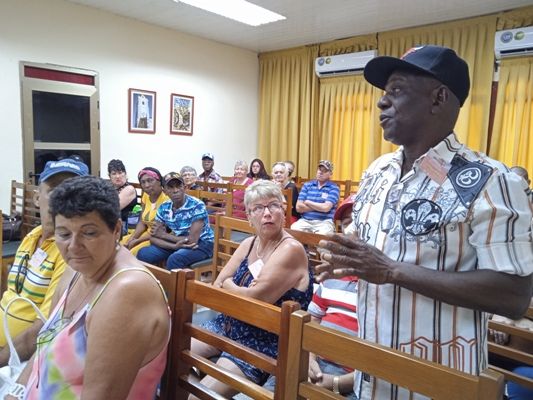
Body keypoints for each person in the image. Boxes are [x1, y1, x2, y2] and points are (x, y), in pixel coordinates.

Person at [316, 45, 533, 400]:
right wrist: (344, 258)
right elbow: (368, 252)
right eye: (384, 93)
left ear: (438, 98)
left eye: (397, 90)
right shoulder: (377, 172)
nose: (382, 103)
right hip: (369, 378)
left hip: (438, 385)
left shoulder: (493, 181)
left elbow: (513, 296)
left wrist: (391, 271)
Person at [14, 176, 170, 400]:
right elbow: (44, 346)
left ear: (116, 230)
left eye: (89, 233)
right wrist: (15, 391)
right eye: (64, 234)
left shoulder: (128, 291)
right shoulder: (77, 270)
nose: (74, 247)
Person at [190, 180, 313, 398]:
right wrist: (233, 287)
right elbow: (218, 284)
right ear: (248, 217)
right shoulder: (249, 244)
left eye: (273, 205)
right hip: (227, 325)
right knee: (167, 353)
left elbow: (256, 300)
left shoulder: (291, 249)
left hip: (261, 342)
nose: (267, 213)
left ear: (283, 211)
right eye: (258, 208)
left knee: (198, 395)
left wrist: (232, 285)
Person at [0, 158, 88, 368]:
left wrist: (2, 359)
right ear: (38, 198)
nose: (63, 199)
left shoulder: (72, 251)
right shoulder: (32, 236)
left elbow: (47, 325)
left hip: (19, 358)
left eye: (72, 191)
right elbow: (12, 293)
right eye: (55, 190)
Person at [137, 172, 214, 269]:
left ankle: (170, 284)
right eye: (170, 187)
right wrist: (174, 246)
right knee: (143, 253)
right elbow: (153, 238)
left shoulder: (197, 205)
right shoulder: (164, 207)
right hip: (177, 241)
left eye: (179, 186)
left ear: (184, 187)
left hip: (203, 244)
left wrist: (164, 235)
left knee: (175, 259)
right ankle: (153, 282)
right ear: (164, 191)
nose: (175, 190)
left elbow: (192, 241)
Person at [308, 276, 358, 398]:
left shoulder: (383, 293)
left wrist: (337, 383)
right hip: (316, 362)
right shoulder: (331, 279)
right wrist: (309, 360)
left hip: (352, 379)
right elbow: (311, 323)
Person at [121, 167, 168, 256]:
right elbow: (142, 222)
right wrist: (132, 238)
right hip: (145, 233)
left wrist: (137, 241)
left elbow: (159, 231)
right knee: (119, 244)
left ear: (159, 181)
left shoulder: (166, 199)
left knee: (131, 253)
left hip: (157, 237)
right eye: (143, 182)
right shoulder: (146, 196)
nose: (146, 185)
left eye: (150, 180)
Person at [291, 160, 340, 234]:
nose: (320, 172)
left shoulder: (334, 188)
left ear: (330, 174)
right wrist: (320, 207)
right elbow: (298, 208)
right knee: (294, 229)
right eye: (319, 169)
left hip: (324, 222)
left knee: (324, 234)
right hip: (305, 220)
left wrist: (308, 202)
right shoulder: (307, 185)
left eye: (324, 171)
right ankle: (304, 246)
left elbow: (326, 208)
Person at [107, 159, 137, 232]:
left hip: (123, 225)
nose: (117, 176)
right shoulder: (110, 188)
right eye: (114, 173)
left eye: (120, 173)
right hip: (110, 221)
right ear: (109, 176)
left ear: (125, 174)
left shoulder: (129, 189)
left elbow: (112, 208)